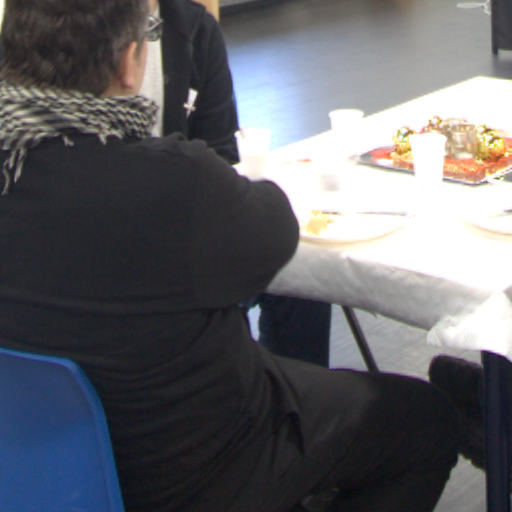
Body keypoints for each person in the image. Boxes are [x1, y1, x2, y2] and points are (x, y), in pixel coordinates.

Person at [0, 1, 459, 511]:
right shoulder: (172, 179)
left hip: (40, 470)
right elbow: (275, 230)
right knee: (426, 422)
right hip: (196, 467)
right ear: (130, 62)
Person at [141, 0, 332, 368]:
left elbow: (222, 156)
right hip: (152, 268)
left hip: (190, 231)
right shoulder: (84, 36)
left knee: (304, 276)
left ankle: (281, 389)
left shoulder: (195, 30)